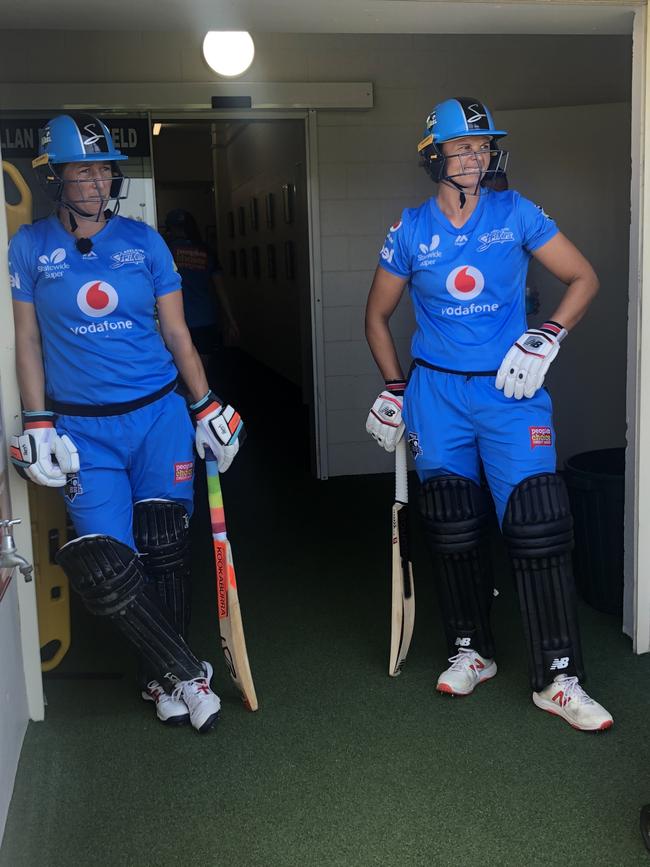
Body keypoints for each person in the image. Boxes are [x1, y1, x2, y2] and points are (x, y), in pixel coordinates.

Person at [365, 96, 612, 732]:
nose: (477, 156)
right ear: (435, 156)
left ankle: (558, 677)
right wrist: (395, 388)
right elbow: (377, 316)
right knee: (451, 524)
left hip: (510, 390)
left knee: (538, 523)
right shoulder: (410, 230)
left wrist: (547, 334)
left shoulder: (516, 212)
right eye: (463, 147)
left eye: (482, 146)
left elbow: (582, 278)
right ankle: (471, 649)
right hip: (437, 394)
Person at [8, 113, 245, 733]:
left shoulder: (145, 242)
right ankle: (186, 671)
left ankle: (159, 679)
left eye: (104, 167)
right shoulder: (29, 246)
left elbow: (176, 333)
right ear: (55, 176)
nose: (95, 178)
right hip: (83, 430)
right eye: (81, 168)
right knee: (107, 566)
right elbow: (27, 340)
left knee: (166, 546)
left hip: (159, 414)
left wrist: (207, 404)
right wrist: (37, 423)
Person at [164, 208, 239, 378]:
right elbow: (220, 289)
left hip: (175, 320)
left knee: (177, 368)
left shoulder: (166, 252)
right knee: (201, 370)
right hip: (205, 318)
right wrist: (230, 319)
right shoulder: (206, 251)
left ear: (171, 228)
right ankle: (199, 399)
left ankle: (186, 400)